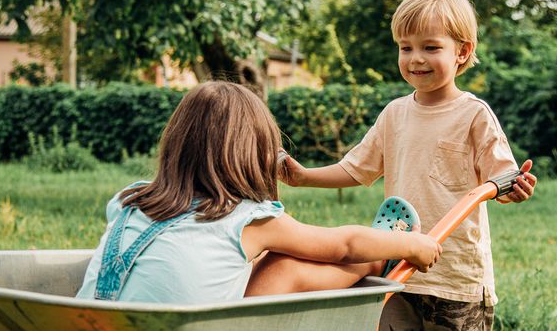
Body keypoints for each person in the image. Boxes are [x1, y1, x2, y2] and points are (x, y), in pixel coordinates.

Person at [280, 0, 538, 331]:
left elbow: (501, 174)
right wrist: (300, 177)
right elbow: (355, 168)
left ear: (463, 53)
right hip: (398, 265)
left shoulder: (474, 115)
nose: (416, 58)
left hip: (456, 273)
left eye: (430, 47)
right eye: (406, 48)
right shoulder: (395, 114)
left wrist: (511, 188)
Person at [76, 81, 441, 305]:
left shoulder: (129, 199)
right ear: (252, 154)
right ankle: (378, 259)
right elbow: (341, 244)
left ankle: (377, 255)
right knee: (281, 265)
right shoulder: (248, 219)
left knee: (238, 259)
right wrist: (414, 246)